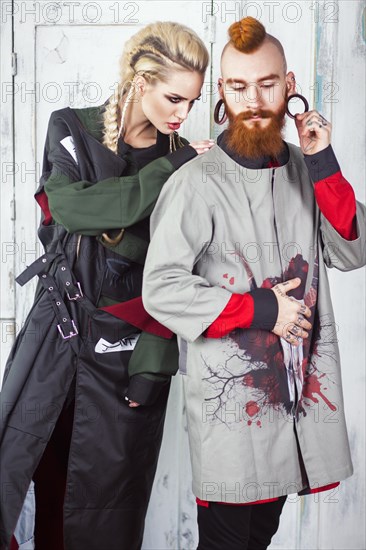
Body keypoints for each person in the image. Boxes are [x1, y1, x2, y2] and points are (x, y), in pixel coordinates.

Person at [142, 16, 366, 550]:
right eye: (239, 86)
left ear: (289, 86)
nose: (254, 99)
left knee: (259, 539)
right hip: (231, 412)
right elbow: (162, 287)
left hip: (294, 406)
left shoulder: (304, 169)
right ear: (222, 91)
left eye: (267, 84)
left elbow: (351, 250)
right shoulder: (194, 183)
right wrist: (263, 309)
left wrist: (323, 163)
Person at [0, 21, 212, 550]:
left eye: (192, 101)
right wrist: (167, 172)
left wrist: (153, 366)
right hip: (54, 338)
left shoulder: (183, 159)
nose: (182, 114)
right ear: (141, 81)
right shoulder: (71, 126)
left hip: (126, 353)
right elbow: (72, 208)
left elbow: (181, 271)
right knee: (30, 471)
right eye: (174, 97)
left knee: (106, 508)